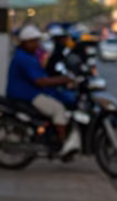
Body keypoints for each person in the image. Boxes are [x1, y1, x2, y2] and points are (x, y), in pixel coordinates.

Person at [6, 25, 80, 157]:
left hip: (34, 92)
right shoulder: (23, 58)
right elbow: (40, 81)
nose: (37, 44)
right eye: (34, 41)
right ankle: (62, 145)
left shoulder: (30, 56)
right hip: (27, 95)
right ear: (27, 42)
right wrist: (63, 80)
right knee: (58, 109)